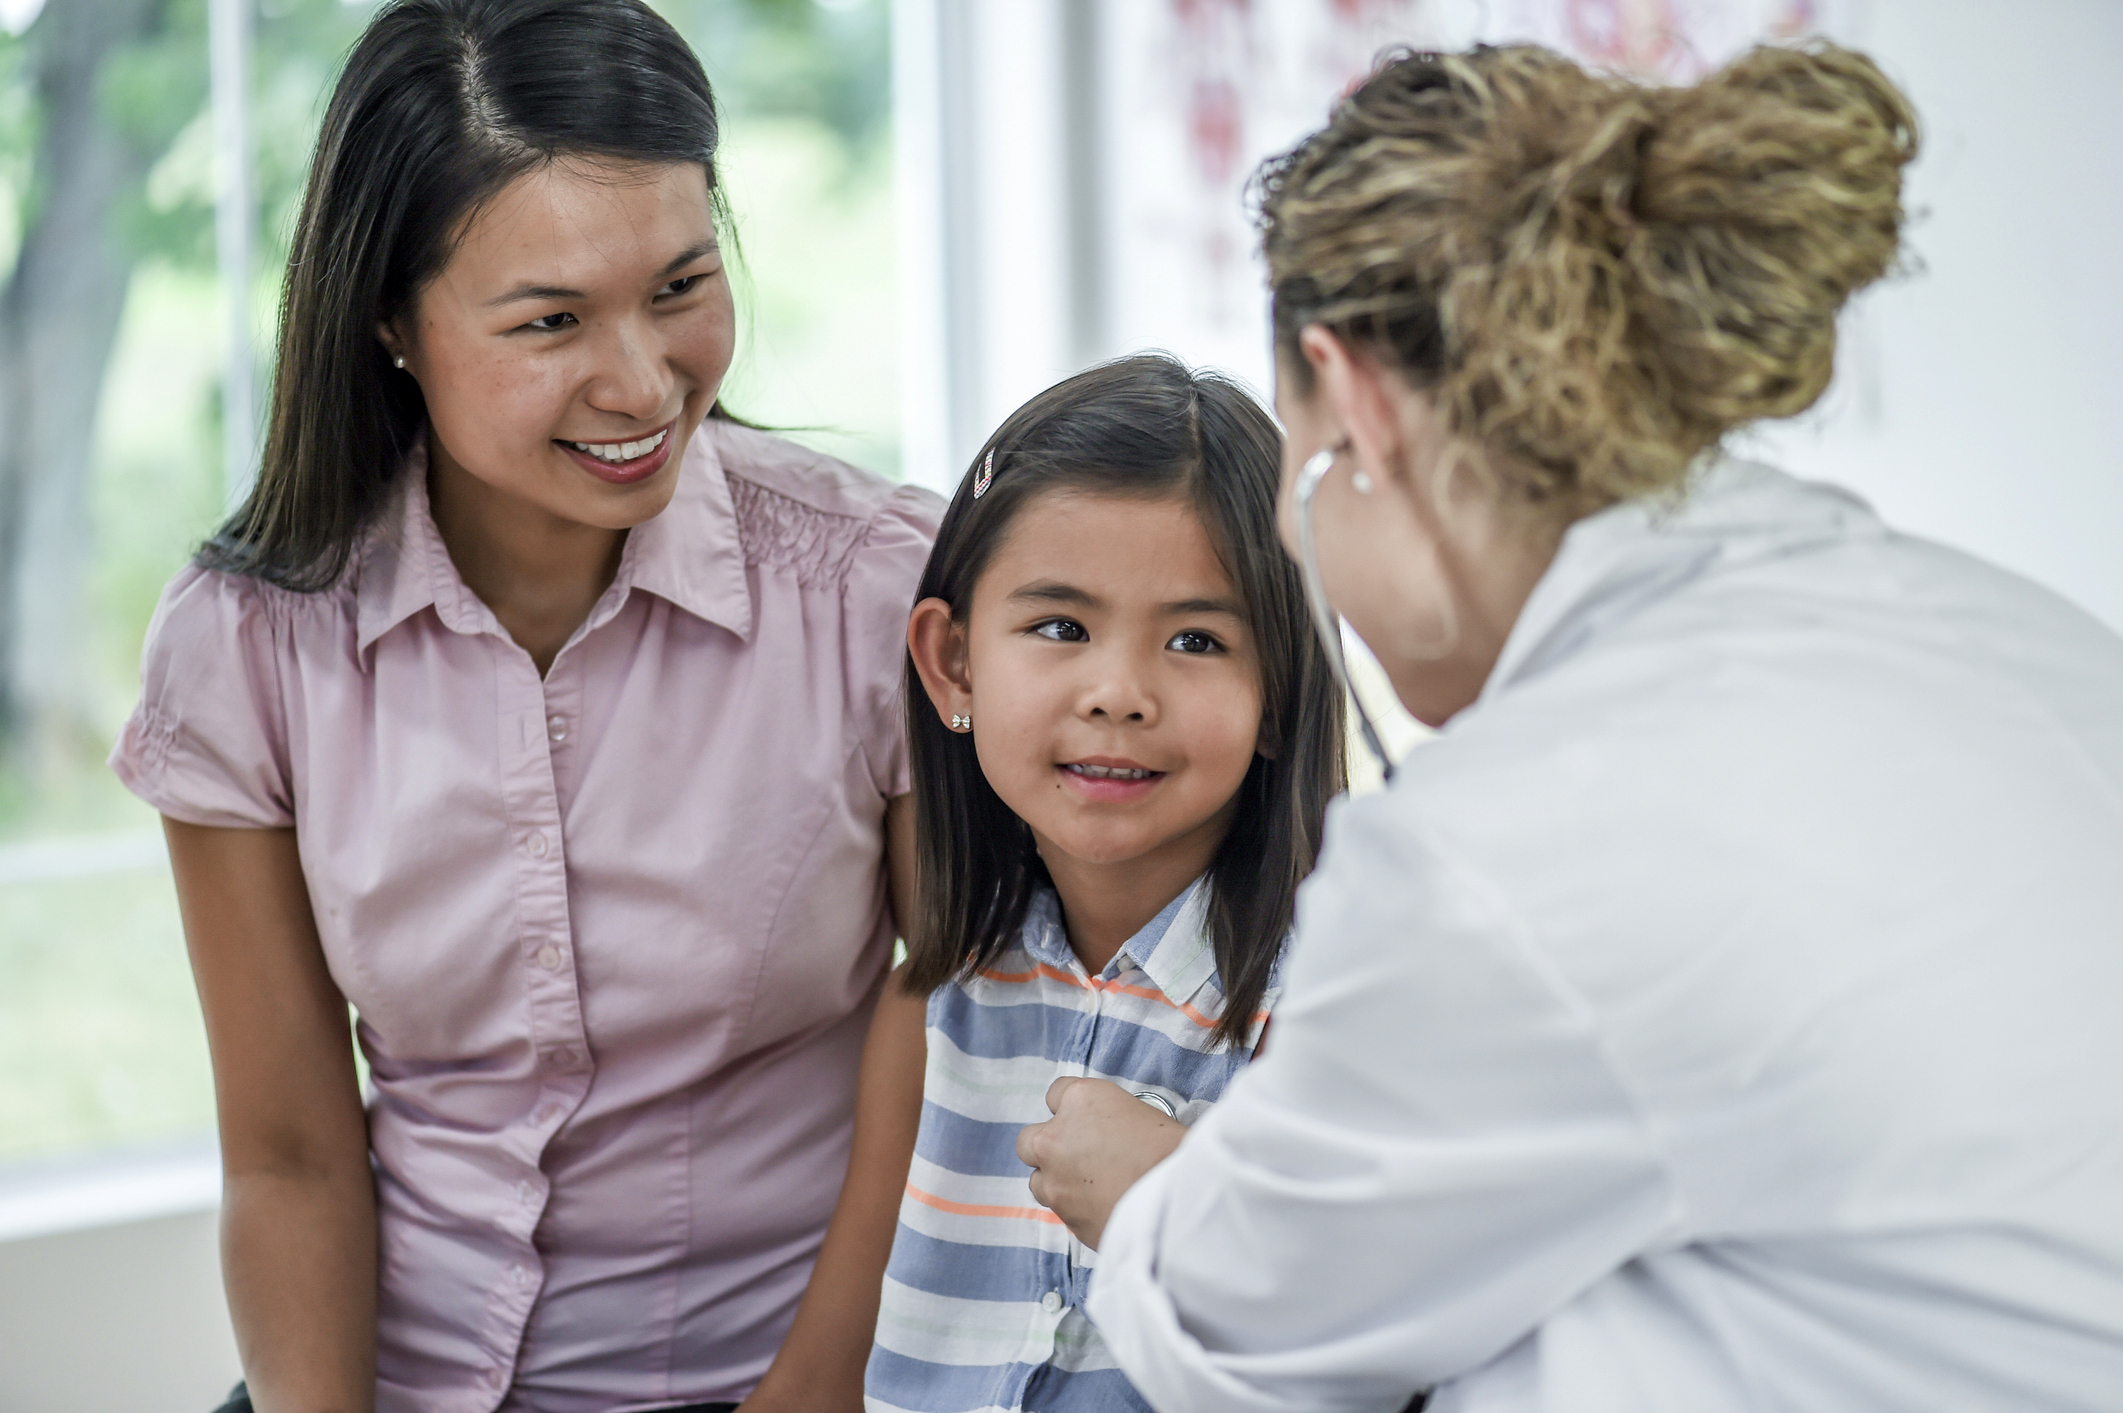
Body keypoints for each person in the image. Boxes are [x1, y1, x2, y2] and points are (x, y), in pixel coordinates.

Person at [1015, 42, 2123, 1413]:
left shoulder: (1503, 845)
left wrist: (1147, 1188)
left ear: (1349, 401)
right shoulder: (2022, 633)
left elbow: (1245, 1326)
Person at [108, 2, 939, 1410]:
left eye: (679, 287)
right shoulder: (247, 643)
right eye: (550, 320)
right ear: (390, 320)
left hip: (783, 1372)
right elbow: (290, 1154)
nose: (638, 380)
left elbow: (962, 1027)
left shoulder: (877, 593)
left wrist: (812, 1394)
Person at [742, 355, 1345, 1413]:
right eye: (1060, 627)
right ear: (953, 666)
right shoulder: (931, 1009)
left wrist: (1186, 1206)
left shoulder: (1330, 1015)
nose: (1118, 693)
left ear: (1282, 689)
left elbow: (1355, 1366)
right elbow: (821, 1379)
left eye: (1196, 639)